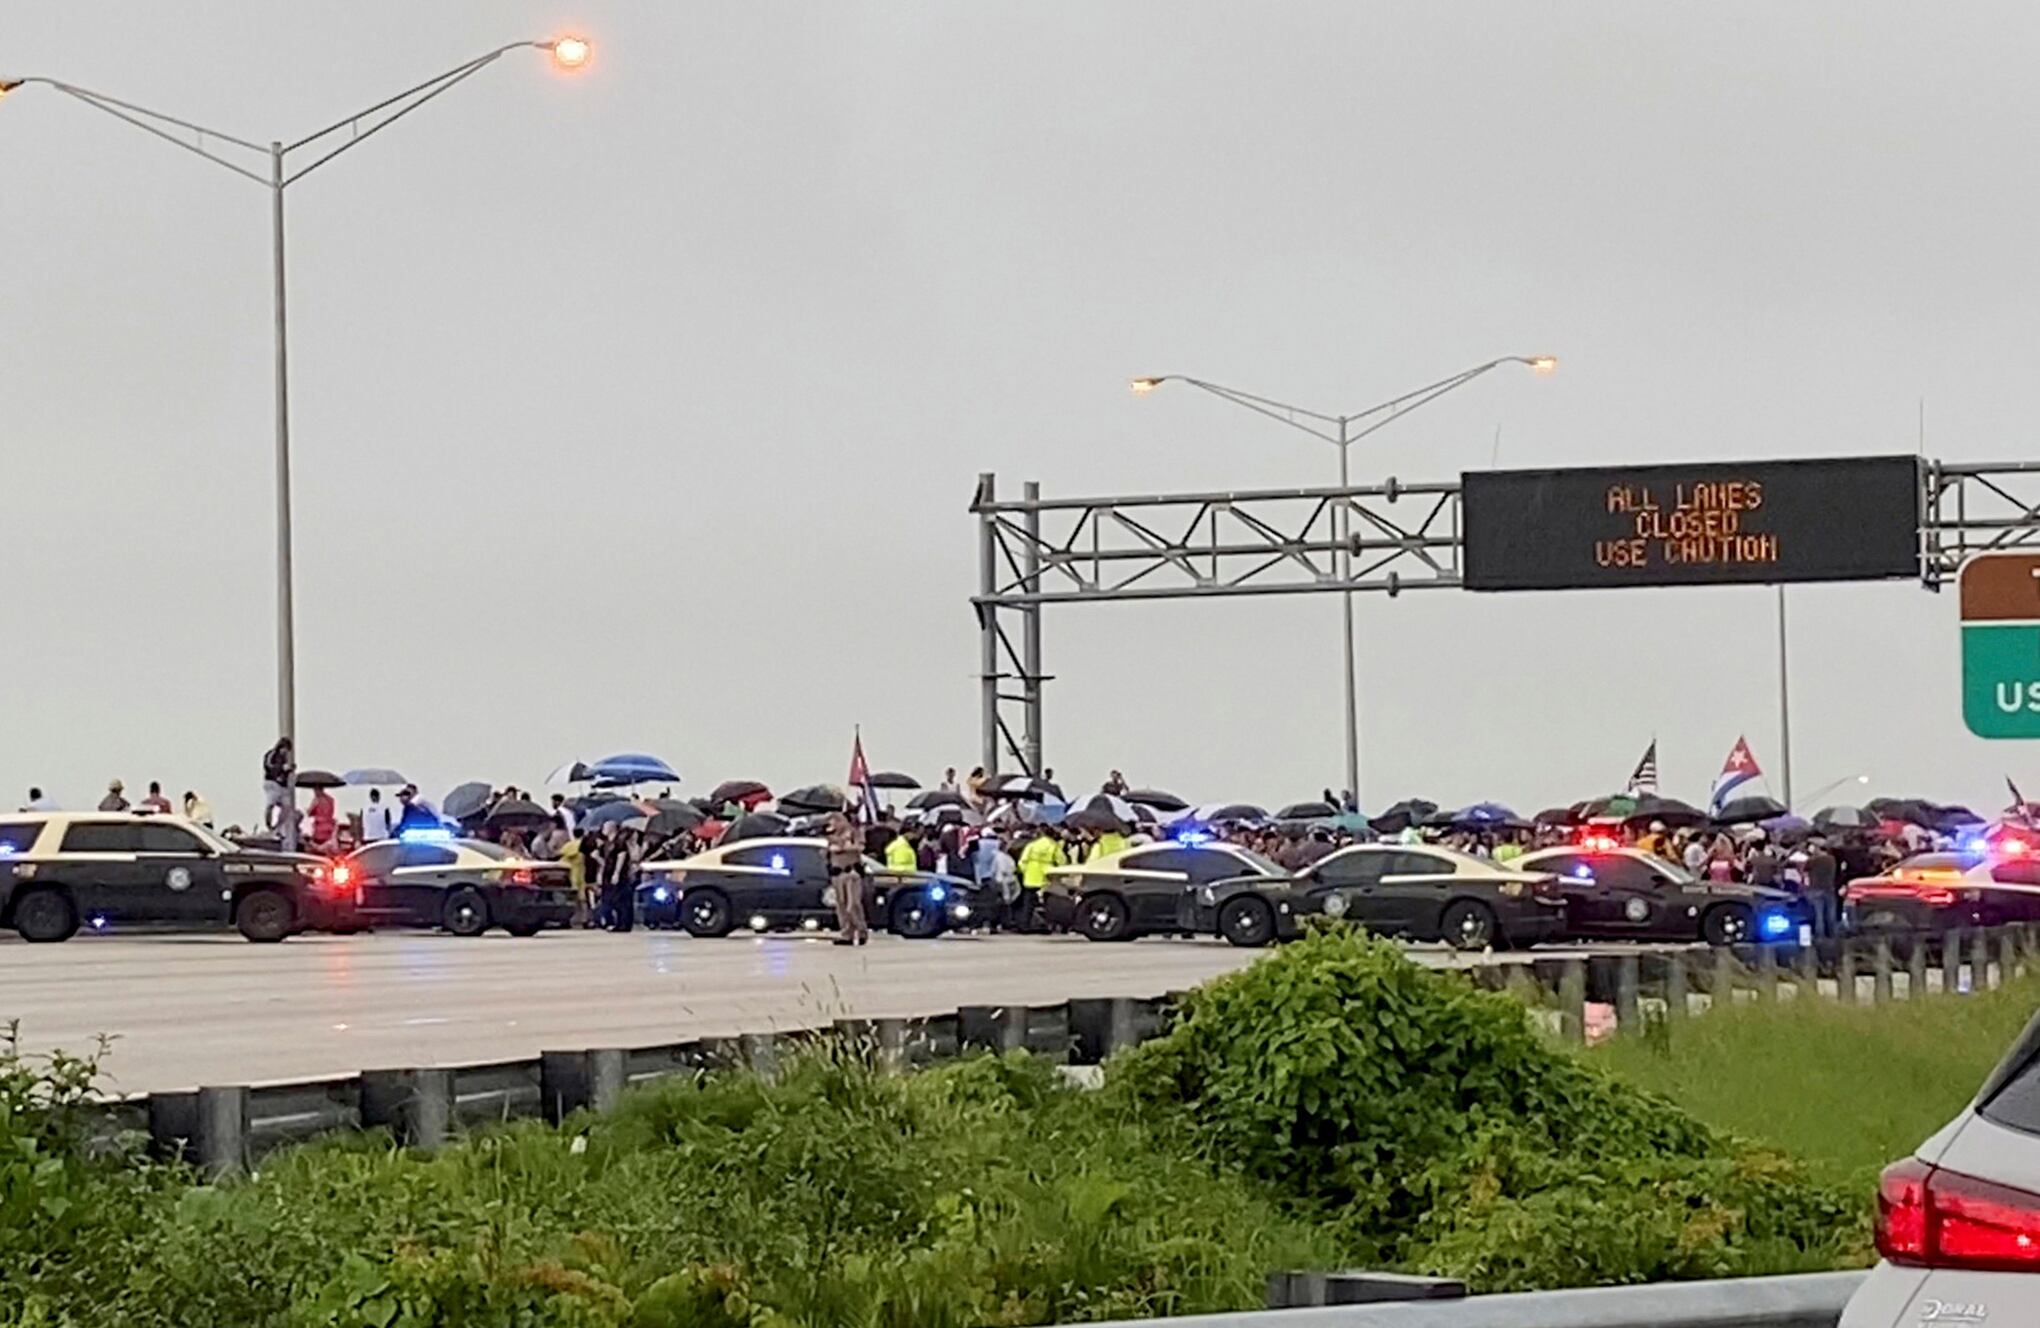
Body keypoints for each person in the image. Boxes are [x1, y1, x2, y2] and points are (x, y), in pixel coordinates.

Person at [825, 811, 868, 945]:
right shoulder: (830, 837)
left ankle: (861, 931)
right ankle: (846, 933)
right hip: (838, 873)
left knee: (853, 905)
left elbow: (860, 847)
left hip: (851, 872)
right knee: (841, 906)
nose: (834, 825)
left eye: (836, 821)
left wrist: (844, 847)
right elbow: (825, 853)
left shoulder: (853, 833)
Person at [1803, 835, 1841, 939]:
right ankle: (1834, 936)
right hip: (1829, 888)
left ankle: (1820, 936)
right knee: (1831, 915)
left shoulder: (1813, 860)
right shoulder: (1831, 859)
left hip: (1815, 889)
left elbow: (1804, 870)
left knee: (1819, 915)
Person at [262, 738, 294, 830]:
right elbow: (268, 766)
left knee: (286, 807)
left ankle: (278, 826)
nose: (286, 752)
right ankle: (269, 824)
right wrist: (281, 768)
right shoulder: (271, 754)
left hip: (282, 785)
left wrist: (289, 770)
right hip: (272, 782)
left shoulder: (285, 758)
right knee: (270, 804)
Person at [307, 786, 338, 852]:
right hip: (329, 828)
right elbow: (331, 812)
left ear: (318, 790)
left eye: (315, 790)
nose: (314, 792)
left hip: (319, 831)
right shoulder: (331, 799)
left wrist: (312, 807)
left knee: (315, 849)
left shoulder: (316, 800)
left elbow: (309, 813)